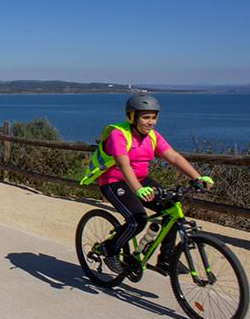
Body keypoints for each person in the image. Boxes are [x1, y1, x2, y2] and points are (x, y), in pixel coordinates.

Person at [80, 93, 214, 274]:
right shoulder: (118, 134)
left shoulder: (153, 136)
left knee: (172, 208)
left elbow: (173, 157)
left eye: (154, 117)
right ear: (132, 117)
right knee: (137, 220)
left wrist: (198, 177)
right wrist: (139, 190)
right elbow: (123, 164)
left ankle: (165, 259)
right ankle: (110, 249)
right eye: (146, 117)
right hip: (114, 181)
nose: (151, 122)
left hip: (141, 180)